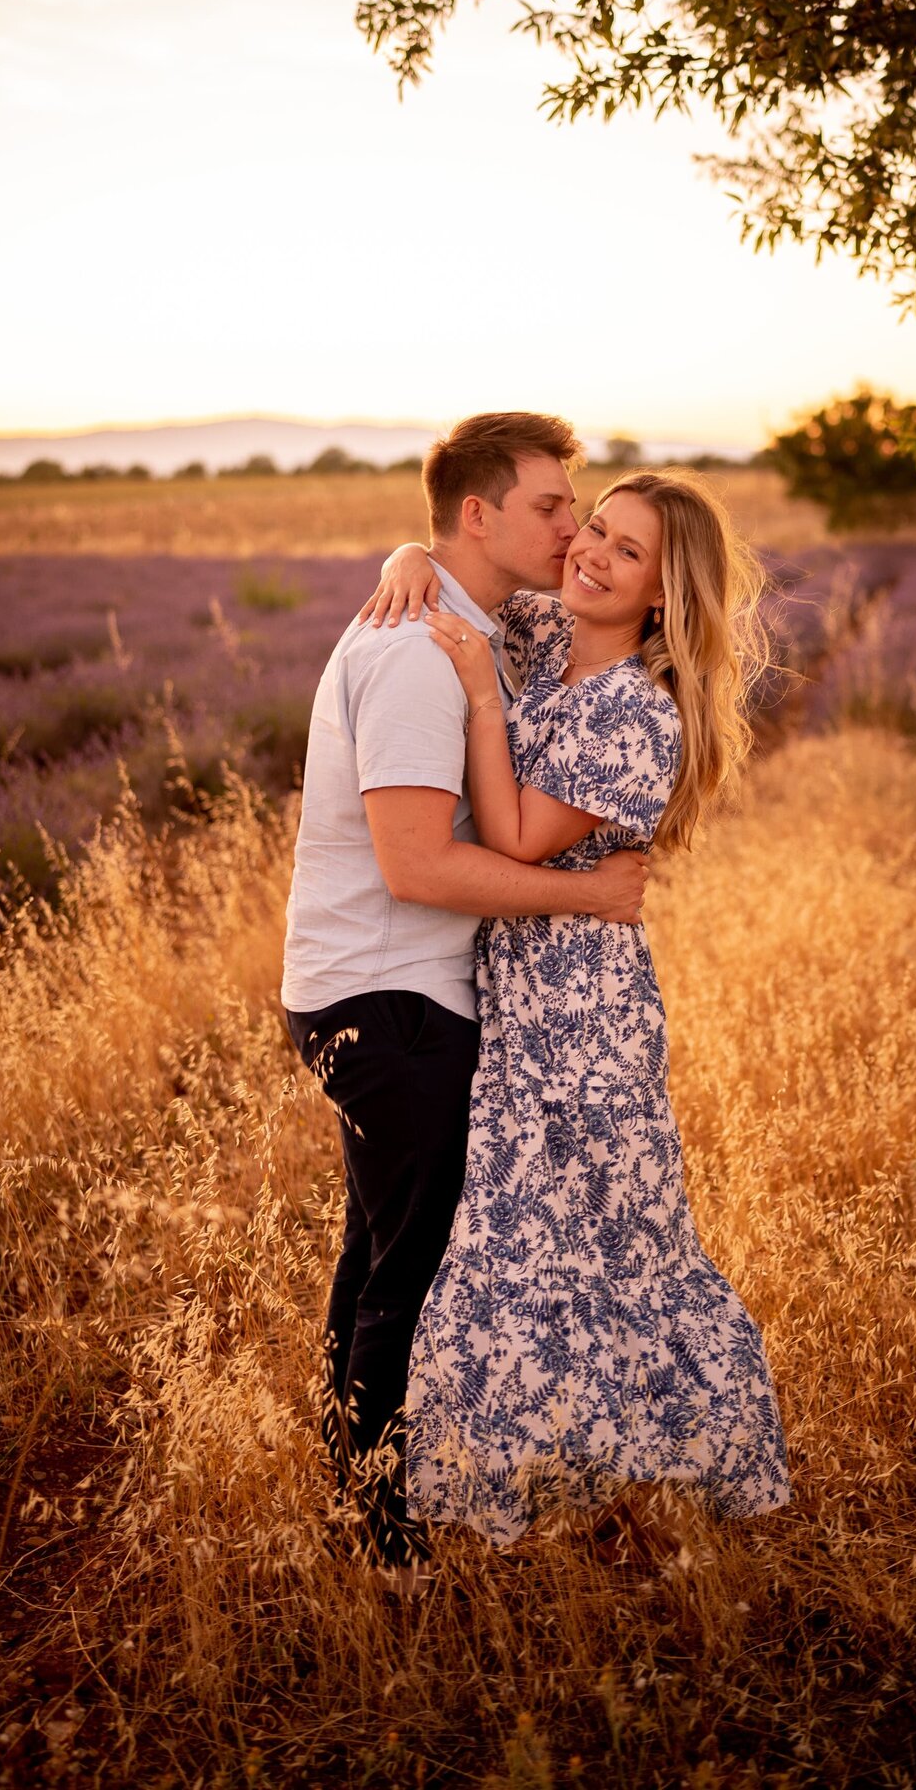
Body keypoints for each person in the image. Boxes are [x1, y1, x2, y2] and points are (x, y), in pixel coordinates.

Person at [364, 469, 791, 1548]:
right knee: (522, 1240)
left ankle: (681, 1464)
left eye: (627, 551)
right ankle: (551, 1480)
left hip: (585, 1014)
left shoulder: (636, 714)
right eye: (594, 526)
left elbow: (511, 837)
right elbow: (463, 578)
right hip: (518, 992)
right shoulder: (553, 635)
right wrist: (404, 559)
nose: (592, 551)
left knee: (611, 1239)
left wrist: (471, 691)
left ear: (663, 594)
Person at [280, 412, 649, 1585]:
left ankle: (359, 1496)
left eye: (580, 509)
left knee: (380, 1254)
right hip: (388, 1001)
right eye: (552, 505)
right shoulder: (409, 655)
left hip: (389, 992)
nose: (573, 527)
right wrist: (585, 899)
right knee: (412, 1270)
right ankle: (387, 1546)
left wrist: (412, 554)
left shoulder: (466, 621)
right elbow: (417, 866)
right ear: (480, 515)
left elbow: (618, 622)